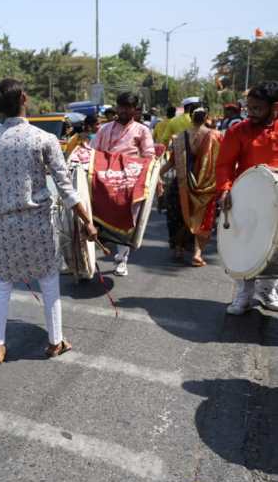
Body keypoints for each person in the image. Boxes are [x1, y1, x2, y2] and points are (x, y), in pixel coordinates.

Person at [0, 79, 98, 365]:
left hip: (4, 225)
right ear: (23, 98)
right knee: (48, 282)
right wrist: (87, 222)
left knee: (3, 285)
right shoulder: (44, 139)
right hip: (39, 224)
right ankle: (56, 342)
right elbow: (66, 187)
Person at [216, 81, 278, 315]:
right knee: (246, 246)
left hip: (275, 203)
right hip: (245, 200)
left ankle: (268, 291)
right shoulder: (237, 131)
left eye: (257, 109)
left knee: (274, 248)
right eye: (248, 108)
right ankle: (244, 294)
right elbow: (224, 165)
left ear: (275, 108)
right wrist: (224, 189)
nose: (250, 113)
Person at [91, 91, 156, 276]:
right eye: (121, 107)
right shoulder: (104, 129)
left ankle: (122, 260)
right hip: (104, 178)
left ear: (134, 109)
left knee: (126, 219)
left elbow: (149, 156)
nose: (123, 111)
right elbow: (93, 152)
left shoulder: (142, 130)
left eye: (127, 107)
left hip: (129, 181)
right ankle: (88, 257)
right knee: (93, 214)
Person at [158, 107, 221, 266]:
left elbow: (172, 163)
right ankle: (197, 254)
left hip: (182, 185)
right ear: (207, 117)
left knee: (180, 218)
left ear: (191, 117)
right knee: (204, 220)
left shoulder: (179, 137)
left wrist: (155, 175)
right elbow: (221, 162)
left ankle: (179, 249)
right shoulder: (216, 136)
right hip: (207, 186)